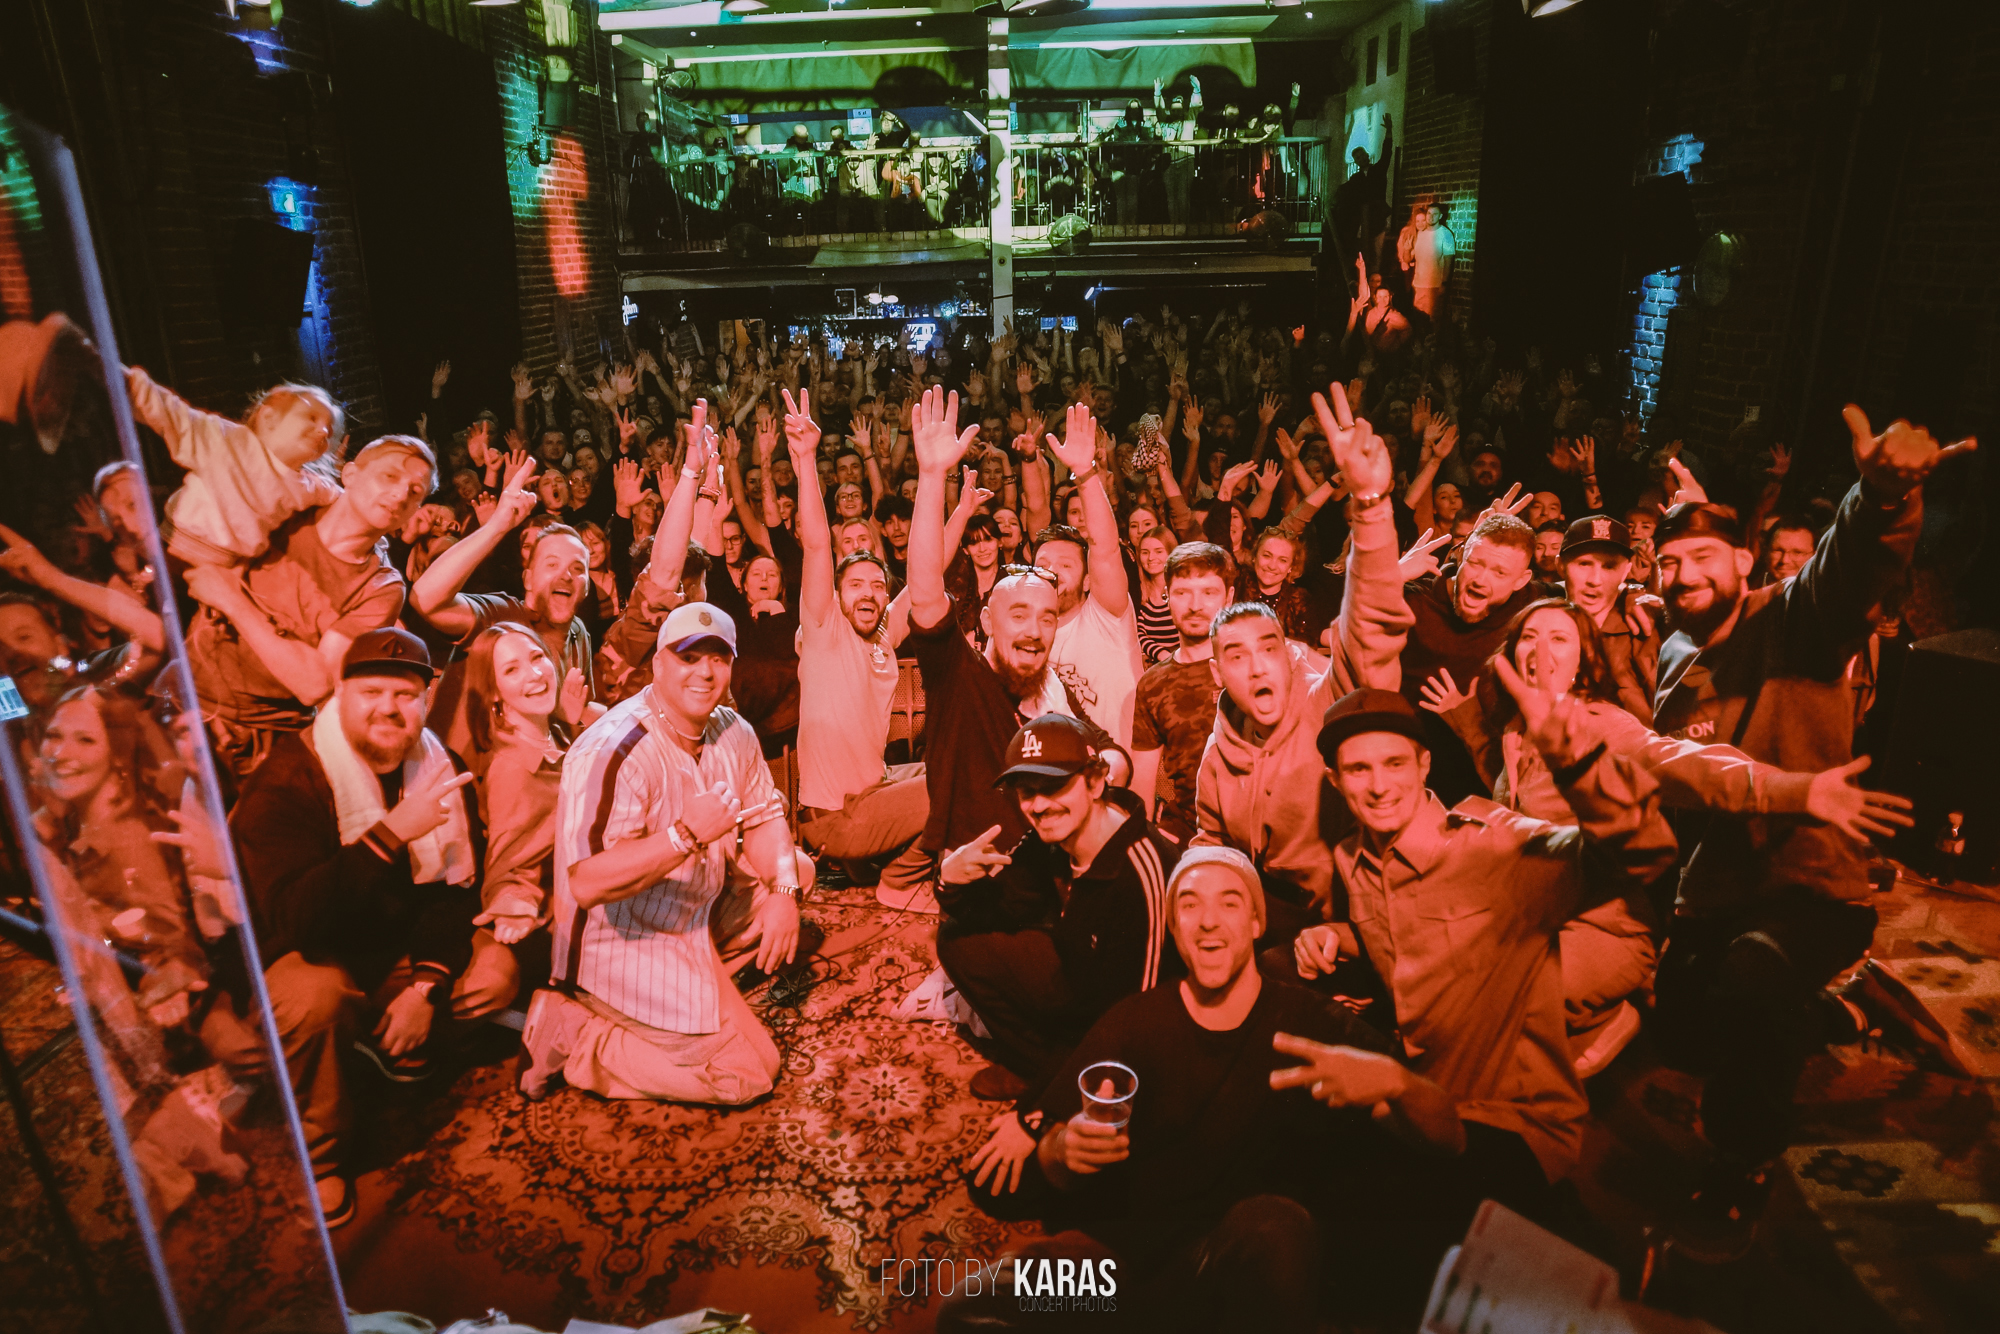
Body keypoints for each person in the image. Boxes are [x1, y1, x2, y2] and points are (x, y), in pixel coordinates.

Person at [1647, 405, 1967, 1252]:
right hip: (1718, 890)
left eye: (1703, 557)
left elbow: (1849, 567)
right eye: (1669, 563)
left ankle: (1739, 1165)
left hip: (1808, 885)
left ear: (1743, 561)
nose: (1683, 574)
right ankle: (1836, 1013)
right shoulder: (1673, 654)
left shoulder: (1797, 618)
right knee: (1679, 1029)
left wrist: (1882, 499)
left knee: (1752, 983)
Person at [947, 845, 1465, 1333]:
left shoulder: (1312, 1025)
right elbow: (1030, 1177)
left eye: (1229, 902)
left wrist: (1398, 1083)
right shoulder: (1134, 1022)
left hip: (1240, 1267)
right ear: (1174, 928)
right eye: (1190, 905)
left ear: (1257, 923)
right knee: (971, 1307)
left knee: (1275, 1226)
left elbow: (1452, 1140)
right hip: (1127, 1269)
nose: (1209, 920)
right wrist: (1061, 1151)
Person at [1417, 599, 1913, 1076]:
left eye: (1559, 638)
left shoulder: (1601, 723)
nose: (1540, 649)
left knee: (1496, 1000)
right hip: (1542, 908)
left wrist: (1796, 790)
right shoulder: (1514, 726)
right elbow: (1510, 785)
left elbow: (1680, 762)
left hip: (1604, 920)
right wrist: (1466, 720)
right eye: (1529, 636)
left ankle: (1608, 1021)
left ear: (1582, 660)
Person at [1302, 680, 1678, 1203]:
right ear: (1335, 780)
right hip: (1432, 1087)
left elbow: (1642, 852)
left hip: (1510, 1119)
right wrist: (1331, 934)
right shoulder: (1352, 857)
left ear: (1424, 765)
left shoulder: (1494, 843)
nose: (1379, 786)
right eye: (1359, 769)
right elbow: (1401, 938)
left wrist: (1579, 764)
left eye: (1394, 763)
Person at [232, 628, 514, 1227]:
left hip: (392, 946)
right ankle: (322, 1156)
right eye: (371, 693)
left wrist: (424, 988)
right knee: (315, 1002)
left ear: (426, 700)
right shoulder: (288, 778)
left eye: (404, 694)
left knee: (494, 974)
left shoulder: (438, 764)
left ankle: (389, 1035)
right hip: (307, 954)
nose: (389, 708)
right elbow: (296, 920)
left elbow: (453, 894)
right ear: (340, 694)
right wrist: (391, 835)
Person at [523, 601, 812, 1105]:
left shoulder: (732, 730)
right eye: (688, 657)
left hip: (695, 911)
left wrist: (784, 893)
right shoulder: (614, 747)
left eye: (718, 659)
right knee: (748, 1074)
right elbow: (585, 883)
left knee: (797, 872)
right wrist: (684, 835)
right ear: (658, 664)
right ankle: (576, 1033)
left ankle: (700, 987)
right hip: (624, 936)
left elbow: (765, 817)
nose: (705, 672)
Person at [1194, 385, 1413, 926]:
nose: (1257, 665)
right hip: (1262, 927)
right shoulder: (1217, 756)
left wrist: (1370, 506)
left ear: (1289, 654)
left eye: (1268, 648)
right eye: (1236, 656)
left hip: (1349, 926)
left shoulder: (1325, 710)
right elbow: (1210, 845)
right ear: (1217, 673)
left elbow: (1369, 630)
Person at [902, 387, 1117, 874]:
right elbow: (925, 590)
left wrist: (1110, 771)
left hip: (1046, 876)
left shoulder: (1052, 689)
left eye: (1046, 617)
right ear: (985, 621)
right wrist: (932, 477)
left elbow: (1103, 746)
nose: (1035, 630)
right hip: (975, 878)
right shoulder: (959, 675)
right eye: (1018, 615)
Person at [934, 714, 1180, 1101]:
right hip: (1081, 968)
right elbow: (1003, 907)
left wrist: (1052, 1107)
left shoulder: (1138, 870)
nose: (1038, 805)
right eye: (1026, 791)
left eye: (1054, 786)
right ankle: (1037, 1066)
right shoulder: (1049, 838)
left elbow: (1137, 1015)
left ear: (1095, 782)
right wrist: (949, 880)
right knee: (956, 939)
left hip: (1136, 1009)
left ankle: (1062, 1077)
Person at [186, 434, 435, 777]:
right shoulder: (290, 509)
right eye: (390, 476)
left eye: (415, 491)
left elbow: (313, 684)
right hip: (183, 697)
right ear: (350, 474)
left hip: (260, 738)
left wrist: (232, 600)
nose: (401, 494)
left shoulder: (381, 586)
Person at [780, 389, 929, 894]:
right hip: (833, 818)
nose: (868, 592)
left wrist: (957, 503)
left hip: (874, 794)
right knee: (951, 785)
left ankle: (869, 865)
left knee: (953, 763)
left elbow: (927, 573)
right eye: (856, 585)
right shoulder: (824, 629)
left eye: (877, 586)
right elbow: (816, 543)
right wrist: (805, 460)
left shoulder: (883, 633)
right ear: (838, 595)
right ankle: (895, 878)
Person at [412, 454, 600, 773]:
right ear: (528, 580)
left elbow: (576, 712)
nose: (566, 575)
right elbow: (426, 599)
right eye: (551, 564)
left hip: (526, 783)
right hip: (453, 784)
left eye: (577, 568)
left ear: (585, 588)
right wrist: (497, 526)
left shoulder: (578, 633)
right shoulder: (504, 617)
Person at [124, 367, 342, 569]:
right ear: (269, 417)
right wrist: (126, 382)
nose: (323, 431)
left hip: (226, 568)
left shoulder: (307, 486)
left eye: (329, 430)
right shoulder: (230, 442)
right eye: (312, 418)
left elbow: (343, 497)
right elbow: (173, 415)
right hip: (172, 549)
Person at [1398, 508, 1541, 802]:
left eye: (1500, 572)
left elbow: (1589, 592)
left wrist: (1630, 593)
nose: (1481, 580)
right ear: (1462, 554)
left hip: (1485, 777)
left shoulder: (1532, 605)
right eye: (1476, 563)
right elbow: (1349, 627)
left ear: (1521, 580)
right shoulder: (1414, 599)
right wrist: (1389, 577)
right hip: (1410, 768)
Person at [459, 621, 586, 949]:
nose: (535, 674)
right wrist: (514, 905)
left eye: (537, 657)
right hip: (564, 921)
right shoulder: (512, 769)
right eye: (512, 670)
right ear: (494, 691)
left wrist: (574, 724)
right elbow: (508, 863)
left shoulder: (555, 735)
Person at [1038, 403, 1145, 748]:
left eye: (1065, 565)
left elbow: (1105, 548)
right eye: (1043, 564)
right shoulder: (1027, 635)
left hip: (1116, 769)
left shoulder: (1106, 616)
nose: (1051, 571)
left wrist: (1085, 473)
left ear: (1088, 581)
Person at [1129, 542, 1232, 844]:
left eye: (1208, 592)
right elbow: (1142, 787)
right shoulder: (1153, 684)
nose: (1195, 605)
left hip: (1256, 832)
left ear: (1229, 598)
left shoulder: (1252, 666)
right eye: (1183, 592)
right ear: (1167, 597)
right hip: (1187, 835)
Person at [1555, 515, 1660, 724]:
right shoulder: (1540, 625)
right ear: (1560, 566)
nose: (1595, 580)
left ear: (1626, 571)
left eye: (1609, 566)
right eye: (1584, 564)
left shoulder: (1647, 627)